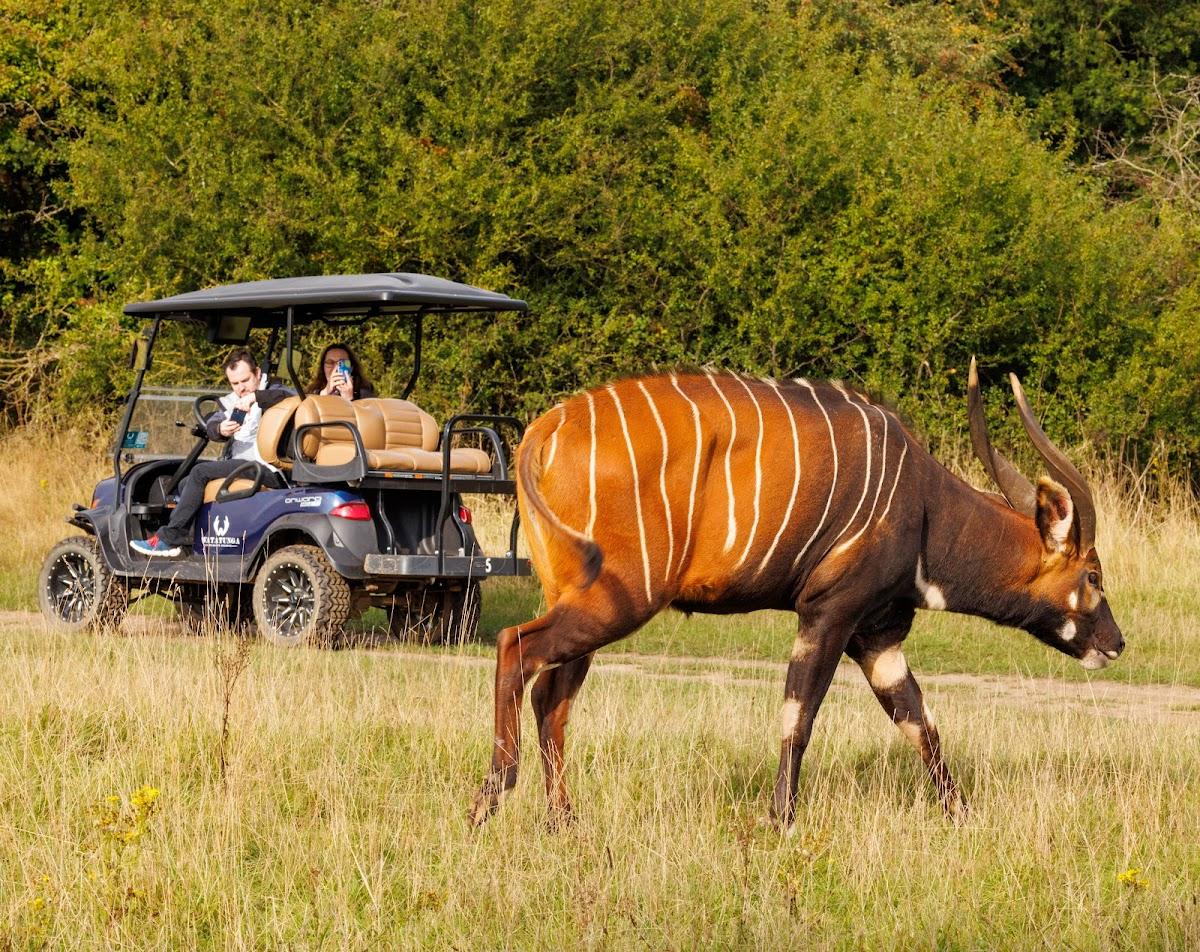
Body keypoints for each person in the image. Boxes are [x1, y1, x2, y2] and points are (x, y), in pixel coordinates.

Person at [131, 348, 293, 557]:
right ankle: (192, 545)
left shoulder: (275, 391)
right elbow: (213, 420)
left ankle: (169, 538)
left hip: (268, 468)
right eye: (235, 383)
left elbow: (290, 396)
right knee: (184, 483)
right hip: (244, 465)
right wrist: (219, 429)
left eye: (245, 380)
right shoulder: (233, 400)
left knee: (200, 473)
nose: (241, 388)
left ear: (258, 374)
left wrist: (255, 397)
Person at [306, 343, 376, 401]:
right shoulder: (312, 393)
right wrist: (324, 394)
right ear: (323, 368)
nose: (336, 368)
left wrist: (349, 399)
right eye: (330, 363)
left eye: (342, 363)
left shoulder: (364, 393)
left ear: (351, 367)